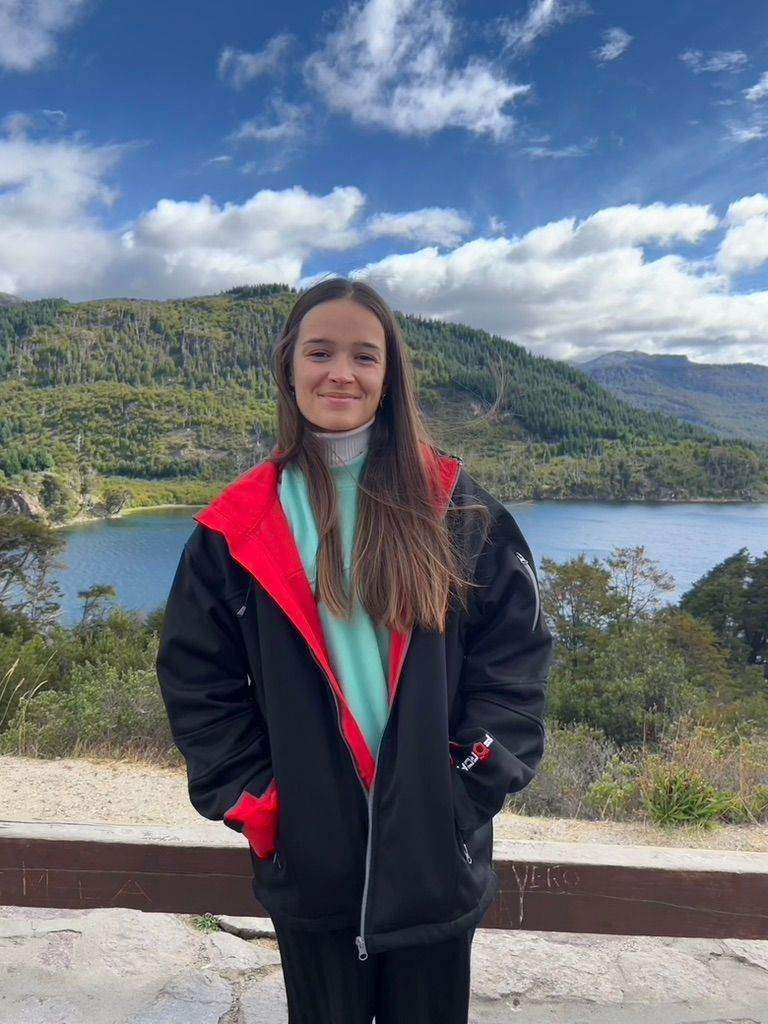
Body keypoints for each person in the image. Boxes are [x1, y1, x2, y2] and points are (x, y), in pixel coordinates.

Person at [155, 276, 555, 1023]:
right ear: (288, 367)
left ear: (388, 375)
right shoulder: (236, 526)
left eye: (364, 356)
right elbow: (195, 680)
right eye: (320, 352)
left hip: (434, 864)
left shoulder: (455, 507)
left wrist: (463, 792)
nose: (341, 372)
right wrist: (263, 805)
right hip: (309, 866)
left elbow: (516, 661)